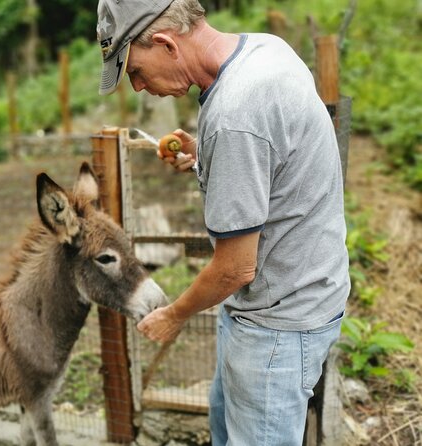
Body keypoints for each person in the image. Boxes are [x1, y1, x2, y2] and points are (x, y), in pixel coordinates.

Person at [96, 0, 350, 444]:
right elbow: (272, 158)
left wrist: (173, 316)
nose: (138, 87)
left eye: (134, 71)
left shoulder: (235, 117)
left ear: (164, 43)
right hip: (294, 297)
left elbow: (235, 268)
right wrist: (206, 156)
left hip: (277, 327)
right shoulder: (264, 50)